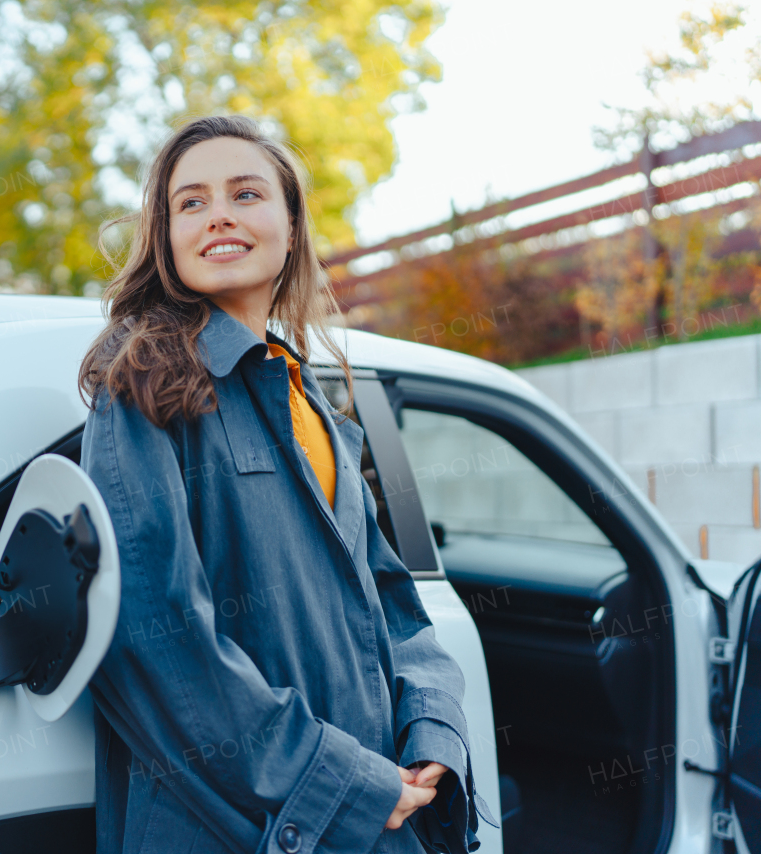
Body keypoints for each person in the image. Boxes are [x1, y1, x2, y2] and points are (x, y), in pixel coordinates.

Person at [76, 114, 497, 854]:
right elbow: (155, 634)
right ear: (166, 235)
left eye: (246, 193)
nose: (220, 217)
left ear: (293, 226)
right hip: (245, 824)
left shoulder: (315, 407)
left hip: (377, 815)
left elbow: (393, 602)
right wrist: (339, 780)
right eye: (192, 202)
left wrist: (432, 727)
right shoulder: (143, 380)